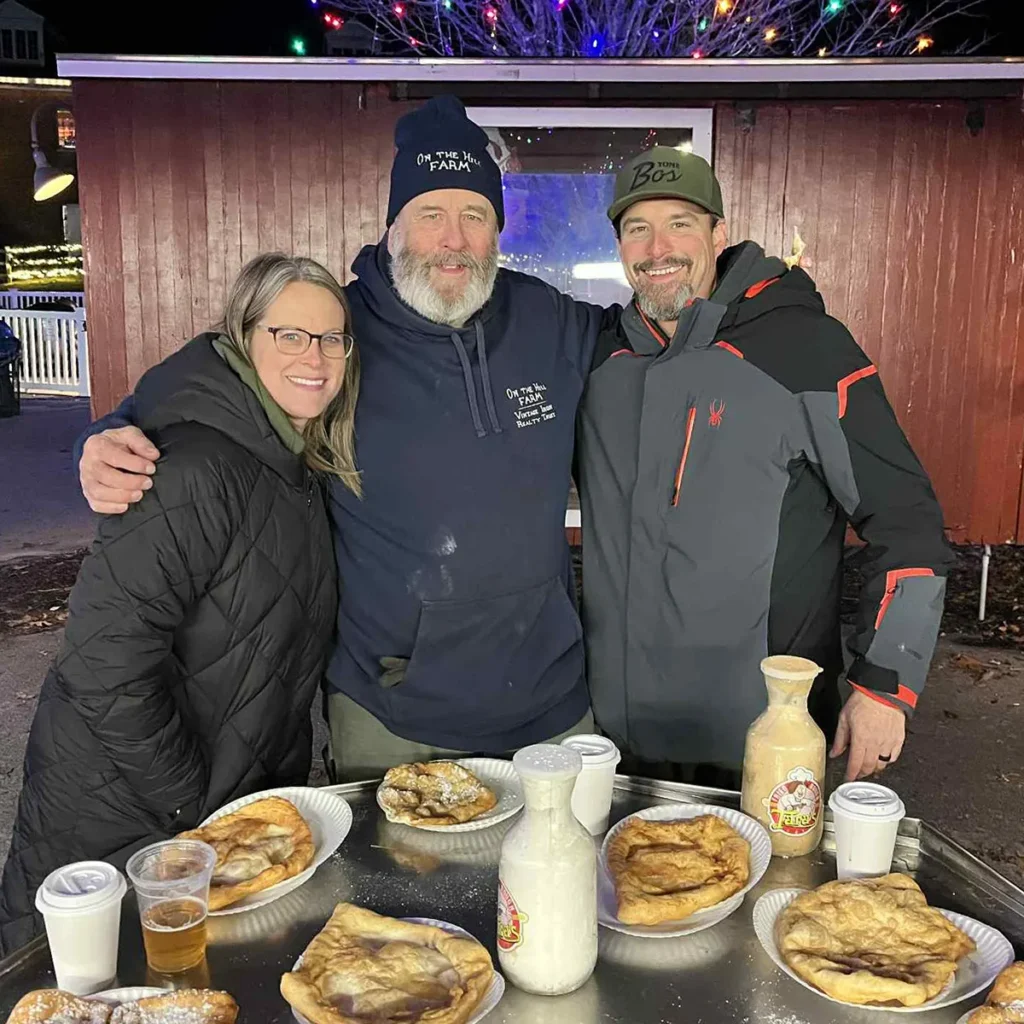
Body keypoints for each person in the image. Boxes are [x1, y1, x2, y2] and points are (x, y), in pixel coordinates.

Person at [74, 96, 604, 781]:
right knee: (391, 889)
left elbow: (656, 347)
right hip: (390, 711)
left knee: (559, 883)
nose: (454, 239)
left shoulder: (548, 320)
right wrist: (112, 428)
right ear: (394, 227)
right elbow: (217, 372)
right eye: (430, 214)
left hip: (550, 704)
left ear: (498, 229)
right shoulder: (337, 331)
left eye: (475, 215)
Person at [0, 253, 356, 953]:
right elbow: (103, 666)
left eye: (332, 338)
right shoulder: (189, 469)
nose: (314, 356)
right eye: (289, 335)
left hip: (207, 815)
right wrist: (191, 804)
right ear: (241, 338)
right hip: (117, 815)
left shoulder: (297, 466)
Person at [575, 146, 953, 789]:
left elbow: (905, 516)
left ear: (719, 235)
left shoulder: (804, 349)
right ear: (620, 246)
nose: (657, 246)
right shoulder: (600, 358)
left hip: (763, 740)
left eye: (681, 223)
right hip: (620, 740)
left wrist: (885, 685)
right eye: (637, 228)